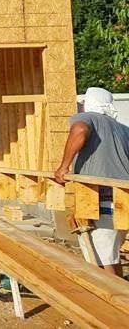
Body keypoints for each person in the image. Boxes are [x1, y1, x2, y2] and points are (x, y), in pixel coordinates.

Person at [54, 87, 129, 276]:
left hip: (102, 199)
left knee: (101, 263)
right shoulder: (123, 129)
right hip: (124, 199)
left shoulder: (89, 118)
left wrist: (64, 167)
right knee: (111, 256)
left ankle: (113, 303)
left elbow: (79, 130)